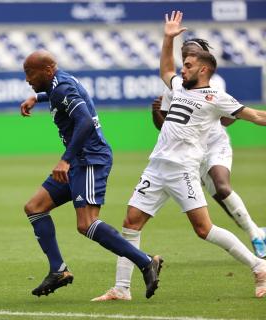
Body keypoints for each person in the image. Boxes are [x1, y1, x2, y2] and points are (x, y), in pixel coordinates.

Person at [91, 11, 266, 302]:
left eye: (188, 66)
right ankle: (122, 288)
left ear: (204, 70)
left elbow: (257, 115)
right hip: (157, 167)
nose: (182, 70)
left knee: (203, 229)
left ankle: (260, 267)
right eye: (183, 65)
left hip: (183, 169)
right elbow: (164, 70)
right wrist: (168, 38)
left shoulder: (216, 97)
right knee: (131, 222)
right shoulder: (178, 87)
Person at [19, 49, 163, 299]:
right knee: (34, 207)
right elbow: (57, 95)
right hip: (79, 159)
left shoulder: (62, 87)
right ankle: (58, 270)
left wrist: (65, 160)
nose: (27, 79)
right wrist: (37, 98)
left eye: (30, 73)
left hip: (89, 158)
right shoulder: (58, 83)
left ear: (48, 70)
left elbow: (84, 121)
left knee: (86, 223)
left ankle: (146, 261)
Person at [151, 39, 266, 258]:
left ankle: (254, 236)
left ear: (202, 57)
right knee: (221, 199)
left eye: (191, 55)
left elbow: (232, 115)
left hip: (214, 142)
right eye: (184, 56)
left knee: (222, 187)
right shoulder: (176, 86)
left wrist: (223, 115)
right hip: (192, 153)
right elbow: (165, 125)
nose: (186, 60)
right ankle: (257, 232)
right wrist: (155, 112)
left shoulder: (215, 84)